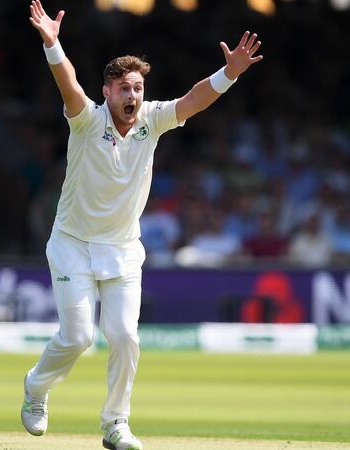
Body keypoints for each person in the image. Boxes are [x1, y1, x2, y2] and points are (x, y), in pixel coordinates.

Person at [22, 2, 263, 449]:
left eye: (138, 87)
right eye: (124, 88)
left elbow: (193, 99)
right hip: (72, 243)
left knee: (125, 336)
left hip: (122, 249)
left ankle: (116, 423)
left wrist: (229, 74)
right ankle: (36, 389)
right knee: (78, 338)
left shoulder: (151, 120)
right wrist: (52, 44)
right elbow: (68, 85)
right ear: (108, 91)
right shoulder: (86, 120)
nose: (132, 95)